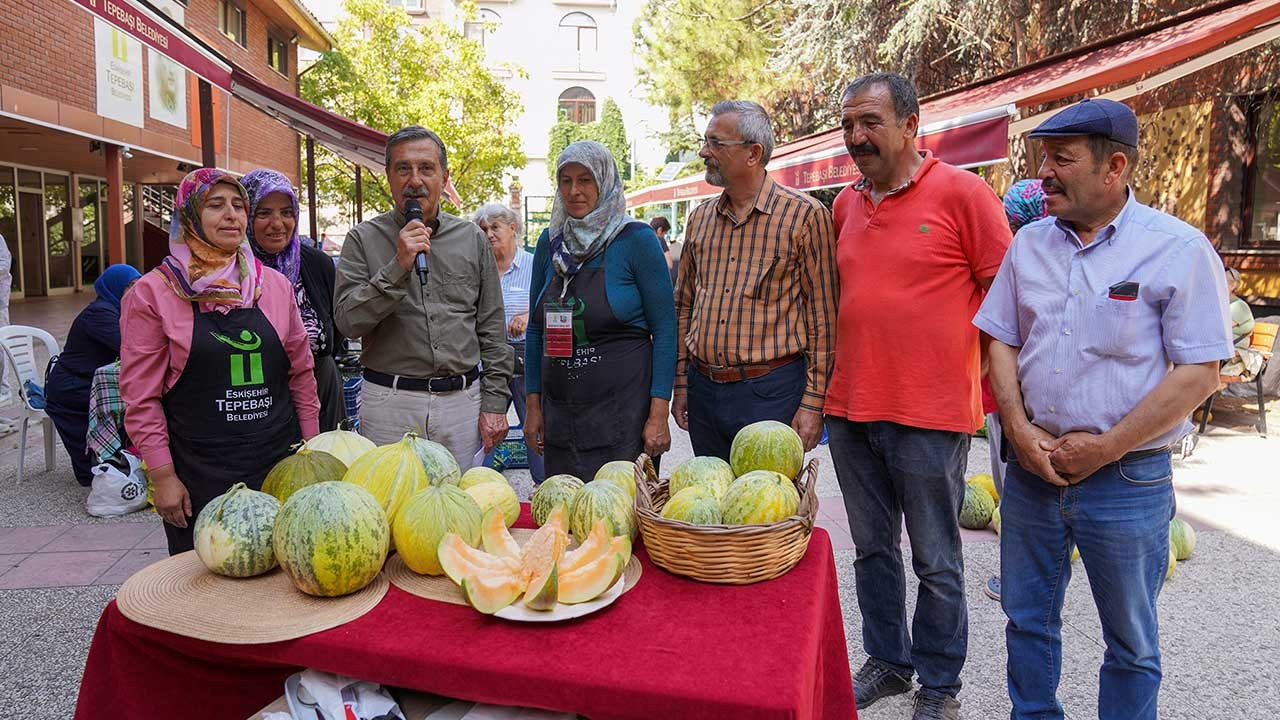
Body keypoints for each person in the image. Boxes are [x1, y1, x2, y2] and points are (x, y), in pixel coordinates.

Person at [974, 98, 1232, 720]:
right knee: (1027, 622)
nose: (1044, 177)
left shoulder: (1178, 249)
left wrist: (1107, 445)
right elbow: (1001, 338)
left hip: (1128, 478)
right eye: (1043, 161)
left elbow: (1200, 371)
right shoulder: (1029, 245)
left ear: (1115, 166)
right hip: (1034, 473)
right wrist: (1017, 426)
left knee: (1131, 644)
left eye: (1061, 161)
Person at [824, 73, 1012, 720]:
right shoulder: (845, 205)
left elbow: (1008, 304)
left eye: (870, 122)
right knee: (873, 550)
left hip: (931, 415)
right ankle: (889, 661)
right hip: (849, 411)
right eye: (849, 125)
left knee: (937, 559)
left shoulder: (965, 195)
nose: (856, 137)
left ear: (911, 123)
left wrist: (974, 375)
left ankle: (939, 686)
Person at [121, 169, 320, 554]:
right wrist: (162, 476)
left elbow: (301, 373)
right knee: (207, 581)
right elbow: (140, 398)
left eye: (238, 206)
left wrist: (311, 448)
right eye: (216, 205)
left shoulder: (273, 286)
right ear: (189, 214)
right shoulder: (152, 294)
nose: (232, 215)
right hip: (199, 471)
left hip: (277, 460)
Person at [334, 126, 512, 469]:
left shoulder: (472, 239)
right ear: (389, 176)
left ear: (444, 177)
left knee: (460, 508)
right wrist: (398, 265)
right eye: (403, 168)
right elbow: (347, 321)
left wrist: (494, 402)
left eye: (426, 168)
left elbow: (492, 328)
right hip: (390, 403)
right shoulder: (362, 239)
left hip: (462, 403)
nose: (414, 180)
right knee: (389, 511)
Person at [672, 100, 838, 460]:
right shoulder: (699, 219)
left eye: (716, 143)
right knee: (711, 501)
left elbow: (823, 321)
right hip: (703, 389)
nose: (704, 152)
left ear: (753, 153)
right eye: (706, 141)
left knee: (765, 509)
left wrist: (812, 405)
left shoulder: (805, 217)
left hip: (771, 392)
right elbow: (683, 305)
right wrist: (682, 383)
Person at [524, 140, 676, 481]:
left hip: (623, 418)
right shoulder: (551, 241)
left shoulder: (636, 239)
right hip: (561, 417)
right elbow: (536, 331)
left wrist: (658, 413)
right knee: (564, 518)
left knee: (620, 519)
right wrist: (533, 407)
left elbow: (665, 330)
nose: (574, 190)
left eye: (585, 180)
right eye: (566, 180)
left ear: (604, 182)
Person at [984, 178, 1049, 603]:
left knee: (1015, 488)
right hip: (1033, 395)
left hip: (1008, 396)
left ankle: (1017, 578)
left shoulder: (1020, 255)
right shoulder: (1042, 254)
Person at [241, 169, 345, 432]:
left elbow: (337, 332)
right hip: (256, 405)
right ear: (246, 216)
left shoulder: (317, 264)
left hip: (322, 394)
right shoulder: (231, 271)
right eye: (264, 213)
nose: (277, 223)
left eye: (286, 212)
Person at [43, 264, 141, 485]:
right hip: (72, 390)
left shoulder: (119, 309)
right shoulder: (100, 313)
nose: (138, 292)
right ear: (116, 288)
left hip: (89, 383)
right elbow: (129, 347)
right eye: (132, 287)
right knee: (93, 475)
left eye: (140, 286)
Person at [474, 203, 545, 484]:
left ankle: (543, 484)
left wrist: (529, 315)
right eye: (483, 230)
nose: (489, 234)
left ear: (512, 229)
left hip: (527, 358)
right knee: (485, 428)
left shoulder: (533, 264)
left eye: (495, 227)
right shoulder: (479, 269)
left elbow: (552, 306)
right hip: (490, 361)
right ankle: (479, 483)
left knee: (535, 424)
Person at [1226, 267, 1254, 349]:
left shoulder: (1239, 306)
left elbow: (1222, 327)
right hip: (1223, 348)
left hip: (1235, 348)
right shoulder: (1220, 304)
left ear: (1233, 285)